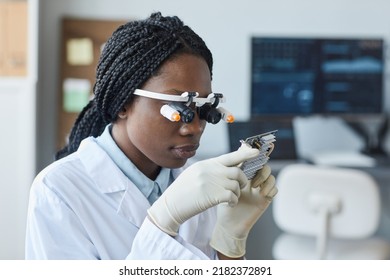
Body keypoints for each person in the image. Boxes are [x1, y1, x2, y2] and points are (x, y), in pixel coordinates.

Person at [25, 12, 277, 260]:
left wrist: (229, 244)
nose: (195, 127)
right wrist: (162, 222)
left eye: (204, 109)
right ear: (124, 102)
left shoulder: (197, 183)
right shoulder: (58, 191)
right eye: (179, 109)